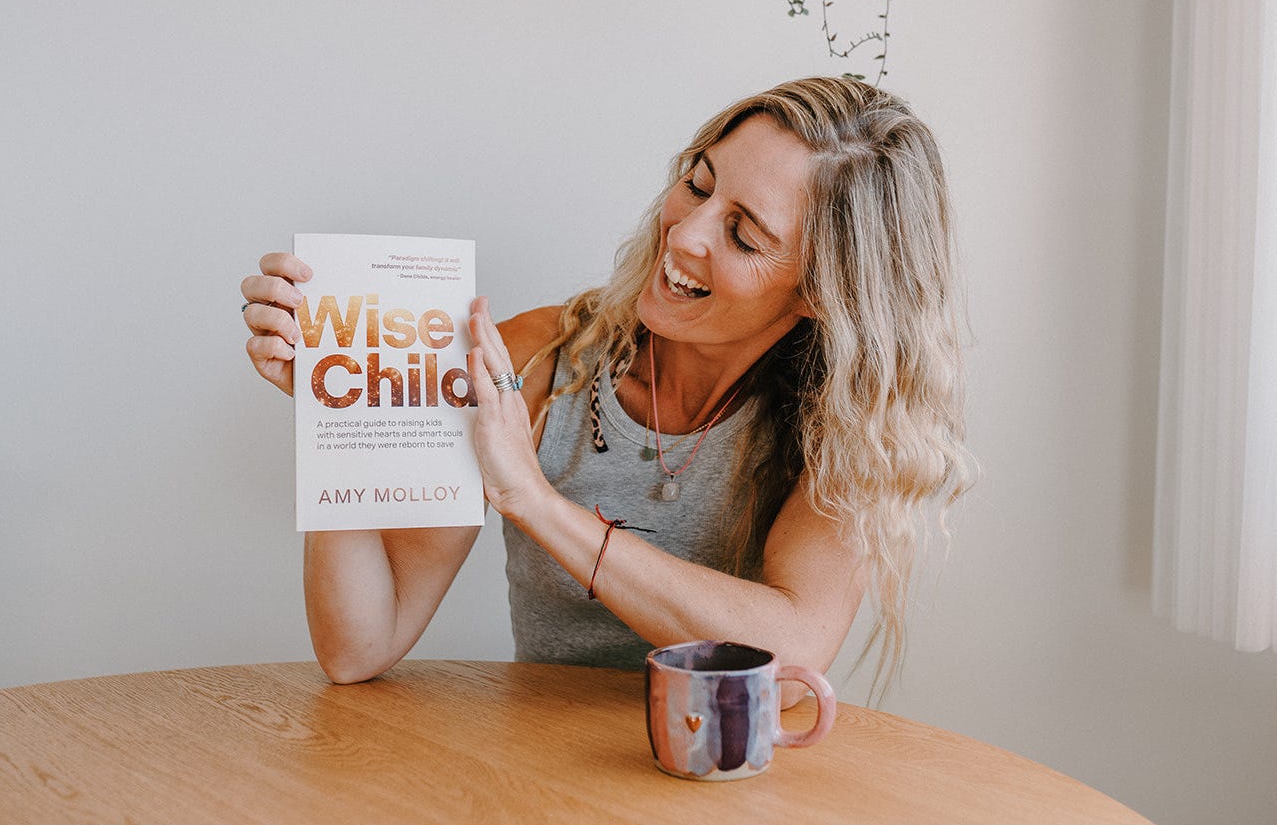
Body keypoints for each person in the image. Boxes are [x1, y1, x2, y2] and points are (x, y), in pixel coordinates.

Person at [240, 76, 977, 705]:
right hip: (543, 780)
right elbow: (359, 645)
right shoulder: (534, 361)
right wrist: (336, 417)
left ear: (822, 291)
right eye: (698, 184)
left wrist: (536, 501)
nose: (684, 234)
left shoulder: (846, 427)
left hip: (724, 784)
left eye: (744, 235)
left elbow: (790, 657)